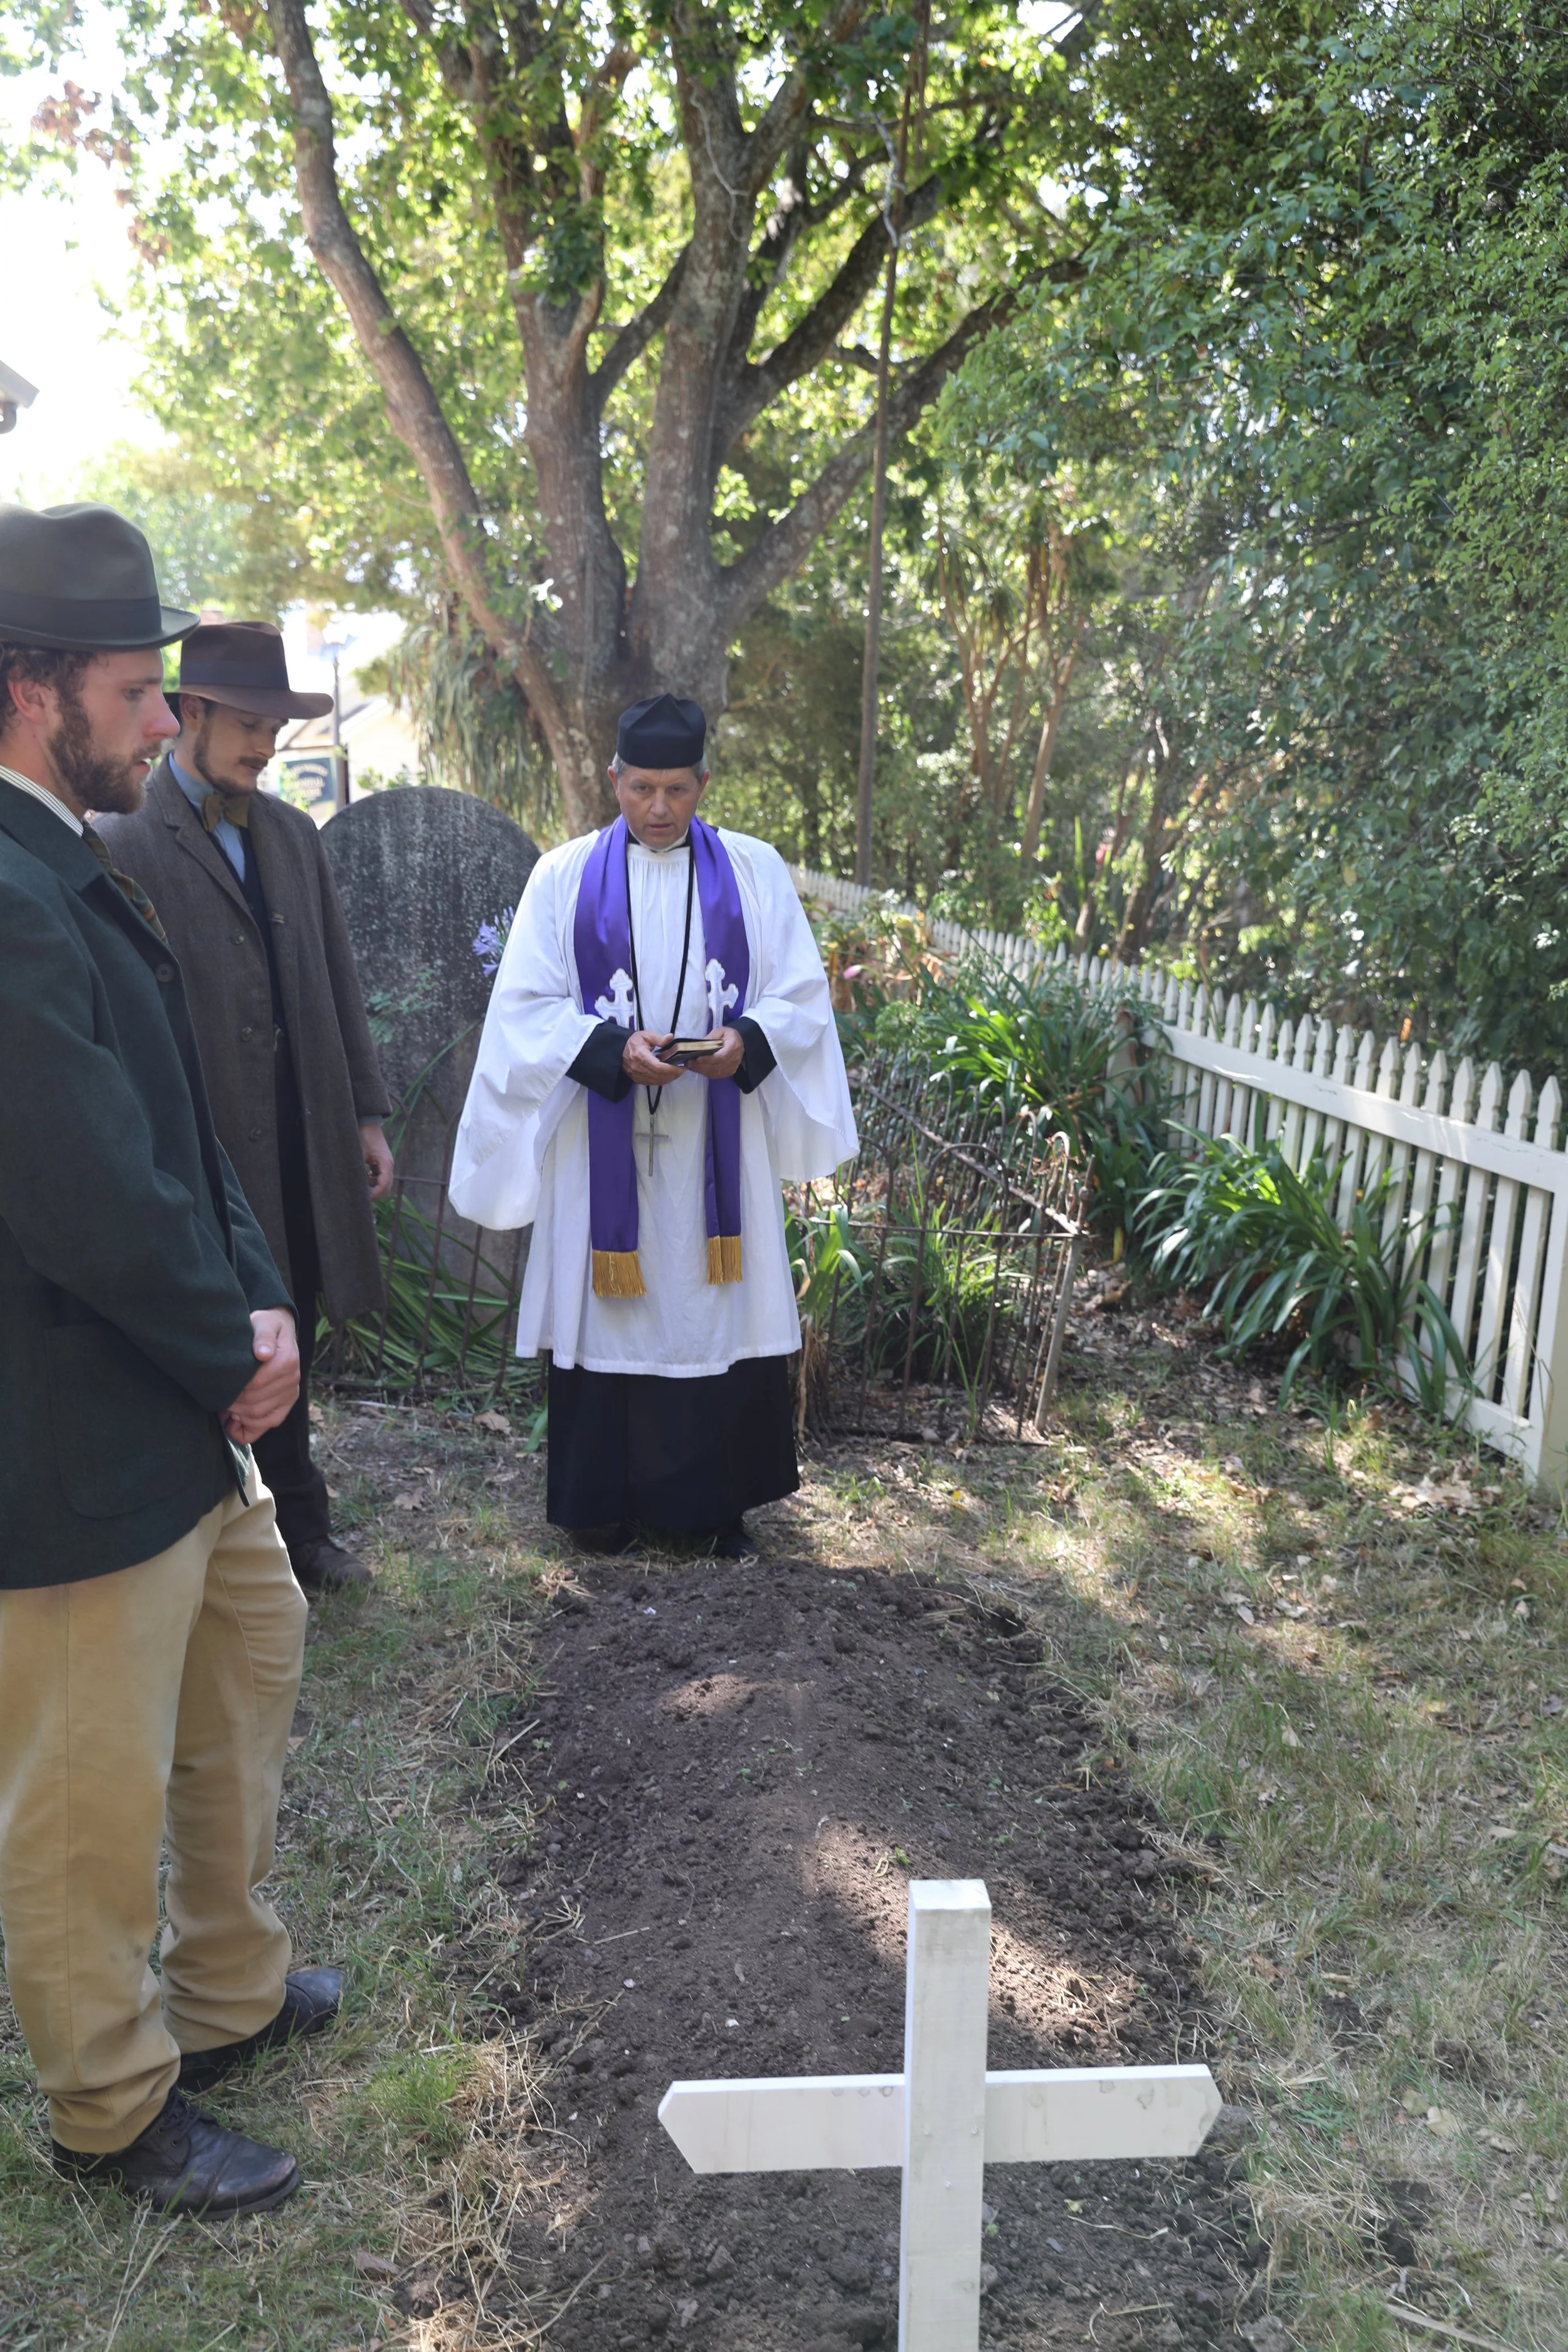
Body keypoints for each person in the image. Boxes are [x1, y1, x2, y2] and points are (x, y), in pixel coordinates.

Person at [0, 502, 341, 2216]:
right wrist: (232, 1342)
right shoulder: (2, 887)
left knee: (251, 1658)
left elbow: (186, 1126)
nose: (164, 720)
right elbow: (73, 1184)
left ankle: (223, 1991)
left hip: (182, 1400)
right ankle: (112, 2102)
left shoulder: (68, 852)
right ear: (27, 685)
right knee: (83, 1784)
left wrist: (261, 1301)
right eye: (138, 690)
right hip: (63, 1429)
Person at [449, 692, 856, 1555]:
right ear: (613, 779)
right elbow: (523, 1009)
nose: (659, 808)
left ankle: (711, 1512)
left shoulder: (753, 871)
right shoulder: (561, 878)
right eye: (640, 788)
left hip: (718, 1141)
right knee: (614, 1316)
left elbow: (801, 997)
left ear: (705, 781)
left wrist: (743, 1041)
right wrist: (604, 1050)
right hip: (604, 1147)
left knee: (712, 1311)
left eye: (677, 788)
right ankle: (602, 1509)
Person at [97, 621, 394, 1596]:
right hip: (202, 1131)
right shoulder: (122, 835)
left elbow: (338, 982)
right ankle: (219, 1539)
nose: (267, 744)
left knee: (292, 1314)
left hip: (303, 1128)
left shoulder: (290, 834)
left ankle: (301, 1528)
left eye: (277, 724)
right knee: (220, 1332)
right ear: (191, 713)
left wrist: (365, 1114)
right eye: (251, 724)